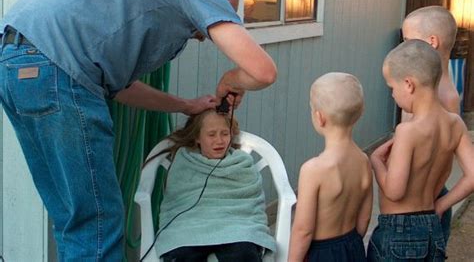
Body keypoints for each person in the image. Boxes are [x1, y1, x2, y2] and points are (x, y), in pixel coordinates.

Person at [0, 0, 277, 261]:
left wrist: (185, 105)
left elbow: (119, 88)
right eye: (203, 27)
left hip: (15, 66)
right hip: (57, 73)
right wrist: (231, 80)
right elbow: (263, 71)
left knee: (74, 219)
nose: (199, 36)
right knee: (97, 224)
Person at [368, 40, 474, 261]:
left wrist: (376, 161)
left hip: (398, 232)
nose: (392, 95)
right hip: (432, 228)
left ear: (408, 84)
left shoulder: (408, 131)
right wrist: (443, 204)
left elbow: (395, 191)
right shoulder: (455, 124)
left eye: (392, 88)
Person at [156, 109, 276, 262]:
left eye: (224, 134)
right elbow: (177, 201)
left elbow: (251, 205)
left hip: (238, 226)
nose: (219, 141)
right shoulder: (184, 161)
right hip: (189, 226)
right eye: (211, 135)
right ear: (197, 137)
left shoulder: (242, 163)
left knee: (243, 253)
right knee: (182, 254)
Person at [288, 72, 372, 262]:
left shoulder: (313, 170)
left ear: (319, 117)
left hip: (321, 253)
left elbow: (303, 230)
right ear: (360, 113)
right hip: (353, 246)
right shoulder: (363, 161)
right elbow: (364, 218)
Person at [401, 5, 466, 243]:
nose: (403, 48)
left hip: (423, 208)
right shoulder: (423, 90)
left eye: (408, 40)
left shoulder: (441, 98)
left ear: (431, 42)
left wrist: (442, 205)